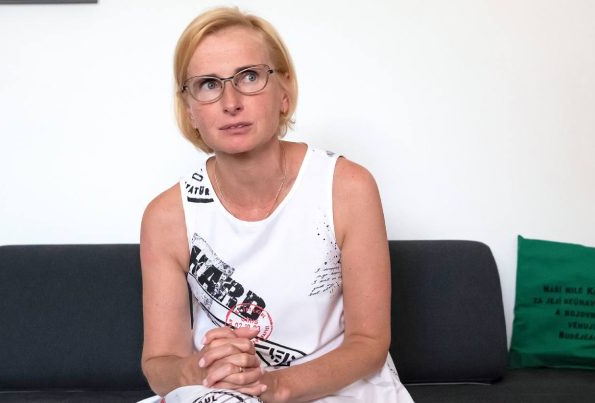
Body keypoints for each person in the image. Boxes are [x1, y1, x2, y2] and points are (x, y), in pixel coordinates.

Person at [138, 7, 414, 403]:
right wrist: (204, 367)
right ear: (190, 111)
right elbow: (159, 363)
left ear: (284, 92)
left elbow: (369, 343)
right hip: (223, 394)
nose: (231, 102)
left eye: (249, 77)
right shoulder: (166, 216)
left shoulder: (347, 188)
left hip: (342, 392)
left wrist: (276, 385)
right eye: (209, 84)